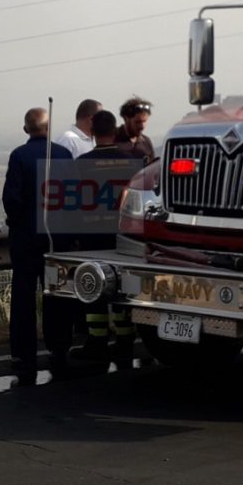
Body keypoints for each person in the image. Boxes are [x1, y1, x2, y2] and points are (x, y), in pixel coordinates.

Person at [2, 107, 74, 372]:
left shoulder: (19, 156)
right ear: (49, 127)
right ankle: (59, 346)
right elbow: (73, 198)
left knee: (23, 295)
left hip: (26, 238)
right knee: (56, 294)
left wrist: (18, 223)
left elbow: (12, 199)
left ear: (25, 129)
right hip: (58, 238)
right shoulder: (65, 154)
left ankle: (23, 352)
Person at [73, 111, 144, 364]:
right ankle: (125, 341)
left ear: (92, 132)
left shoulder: (81, 163)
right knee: (123, 287)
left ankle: (97, 341)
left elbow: (75, 203)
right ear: (115, 132)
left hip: (92, 236)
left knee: (95, 288)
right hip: (124, 235)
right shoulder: (134, 161)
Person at [115, 96, 156, 164]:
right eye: (138, 122)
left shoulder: (146, 142)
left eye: (144, 121)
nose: (142, 126)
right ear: (126, 119)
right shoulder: (112, 139)